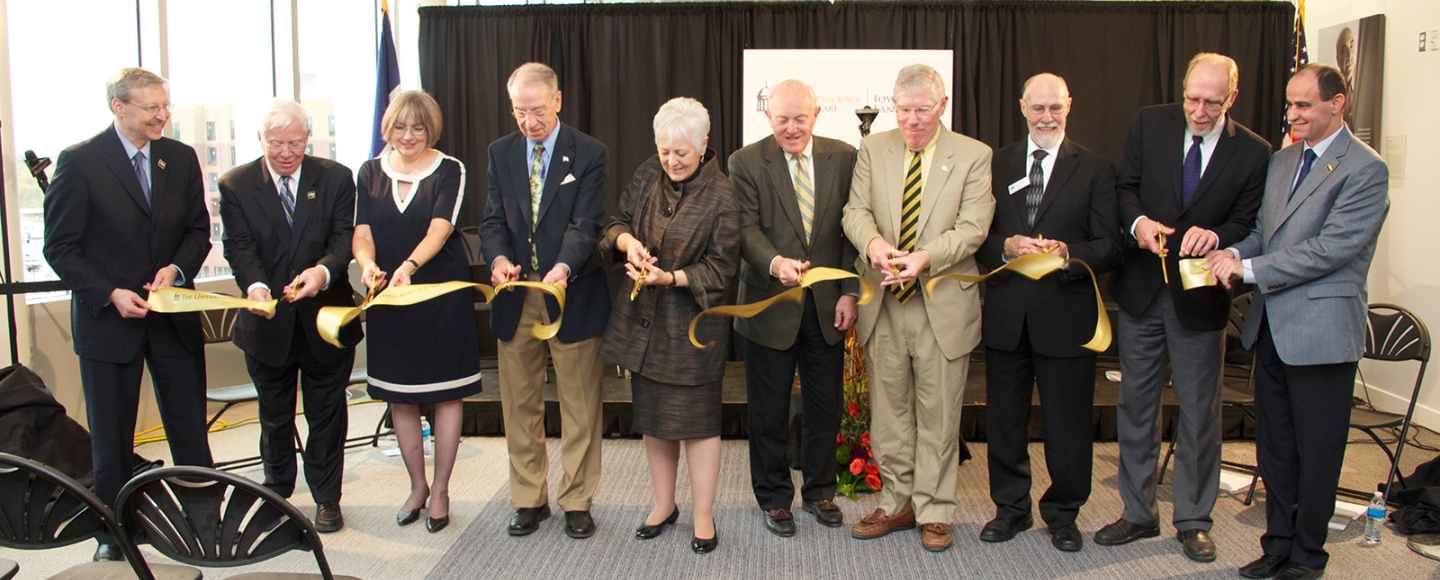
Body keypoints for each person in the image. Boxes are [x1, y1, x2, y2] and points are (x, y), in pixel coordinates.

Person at [1206, 63, 1389, 580]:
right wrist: (1229, 252)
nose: (1293, 115)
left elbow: (1331, 249)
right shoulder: (1284, 161)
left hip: (1324, 334)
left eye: (1304, 105)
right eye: (1290, 104)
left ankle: (1309, 556)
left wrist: (1248, 268)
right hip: (1272, 329)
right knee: (1277, 448)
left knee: (1319, 453)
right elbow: (1267, 232)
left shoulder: (1365, 169)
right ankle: (1277, 544)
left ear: (1338, 104)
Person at [1099, 52, 1271, 563]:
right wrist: (1139, 225)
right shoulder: (1151, 122)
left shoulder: (1255, 152)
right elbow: (1124, 189)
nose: (1199, 110)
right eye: (1192, 98)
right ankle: (1137, 513)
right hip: (1141, 290)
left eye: (1211, 103)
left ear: (1231, 99)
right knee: (1136, 407)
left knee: (1200, 413)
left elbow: (1250, 221)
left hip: (1200, 299)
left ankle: (1194, 520)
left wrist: (1219, 235)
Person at [43, 67, 213, 562]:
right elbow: (61, 247)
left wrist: (177, 270)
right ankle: (112, 534)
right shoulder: (79, 162)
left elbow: (199, 231)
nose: (162, 115)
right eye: (151, 107)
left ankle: (203, 520)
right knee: (112, 437)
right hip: (108, 322)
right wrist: (110, 292)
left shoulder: (180, 159)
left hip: (172, 317)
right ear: (119, 108)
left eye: (165, 105)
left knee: (189, 427)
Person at [840, 63, 995, 553]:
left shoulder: (973, 155)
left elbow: (974, 227)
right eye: (903, 110)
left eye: (921, 111)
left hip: (941, 302)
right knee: (888, 414)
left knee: (939, 413)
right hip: (884, 300)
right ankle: (897, 500)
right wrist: (875, 246)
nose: (911, 121)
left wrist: (926, 257)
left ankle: (934, 510)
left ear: (942, 106)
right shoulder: (873, 148)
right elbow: (854, 211)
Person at [975, 73, 1121, 553]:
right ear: (1022, 107)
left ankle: (1063, 514)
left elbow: (1110, 245)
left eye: (1055, 108)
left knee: (1068, 426)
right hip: (1007, 316)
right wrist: (1005, 247)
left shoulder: (1096, 169)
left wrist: (1068, 251)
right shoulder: (995, 164)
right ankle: (1010, 509)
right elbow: (976, 235)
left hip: (1066, 315)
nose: (1046, 117)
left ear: (1069, 106)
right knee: (1005, 422)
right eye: (1038, 108)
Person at [600, 97, 739, 554]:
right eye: (664, 150)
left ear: (703, 144)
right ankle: (664, 504)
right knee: (655, 421)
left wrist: (672, 277)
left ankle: (703, 513)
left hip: (694, 330)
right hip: (645, 326)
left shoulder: (722, 194)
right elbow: (615, 222)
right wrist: (628, 243)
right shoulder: (646, 174)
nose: (671, 160)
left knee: (698, 425)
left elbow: (723, 270)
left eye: (681, 151)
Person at [218, 98, 362, 533]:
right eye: (276, 143)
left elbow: (342, 240)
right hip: (267, 322)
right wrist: (256, 287)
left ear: (307, 138)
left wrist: (321, 273)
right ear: (260, 140)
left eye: (295, 142)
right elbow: (238, 246)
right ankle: (277, 493)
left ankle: (326, 499)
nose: (285, 152)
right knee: (274, 416)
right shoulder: (235, 184)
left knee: (327, 415)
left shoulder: (336, 178)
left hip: (326, 318)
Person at [479, 62, 611, 539]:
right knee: (519, 404)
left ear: (557, 101)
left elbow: (587, 223)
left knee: (579, 405)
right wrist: (495, 260)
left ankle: (577, 499)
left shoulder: (590, 153)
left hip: (570, 292)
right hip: (516, 294)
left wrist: (563, 268)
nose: (529, 122)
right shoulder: (501, 152)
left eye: (537, 111)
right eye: (519, 112)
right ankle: (528, 498)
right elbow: (493, 219)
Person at [729, 79, 858, 537]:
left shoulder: (843, 157)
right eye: (781, 119)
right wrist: (775, 262)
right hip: (769, 305)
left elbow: (851, 230)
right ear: (768, 118)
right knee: (769, 411)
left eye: (799, 118)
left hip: (828, 308)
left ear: (816, 115)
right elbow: (743, 230)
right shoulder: (745, 162)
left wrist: (849, 291)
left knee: (826, 407)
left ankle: (821, 491)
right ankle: (774, 498)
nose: (790, 128)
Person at [353, 90, 480, 534]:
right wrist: (369, 267)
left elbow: (440, 229)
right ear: (388, 127)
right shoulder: (369, 172)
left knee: (447, 394)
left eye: (419, 127)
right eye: (401, 127)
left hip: (439, 297)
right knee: (399, 395)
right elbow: (362, 232)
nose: (409, 136)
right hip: (389, 298)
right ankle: (417, 487)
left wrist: (407, 266)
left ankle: (442, 490)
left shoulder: (450, 169)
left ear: (432, 129)